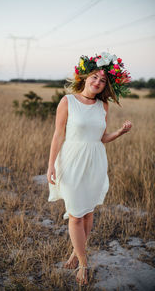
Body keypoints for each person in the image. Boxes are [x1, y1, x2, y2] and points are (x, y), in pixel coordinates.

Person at [47, 52, 132, 286]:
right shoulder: (67, 101)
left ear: (106, 84)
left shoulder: (103, 105)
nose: (97, 83)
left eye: (103, 80)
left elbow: (101, 137)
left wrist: (120, 132)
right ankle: (85, 264)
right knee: (75, 214)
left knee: (87, 211)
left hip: (95, 161)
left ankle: (77, 253)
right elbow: (57, 135)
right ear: (84, 77)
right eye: (94, 77)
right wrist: (50, 165)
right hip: (72, 160)